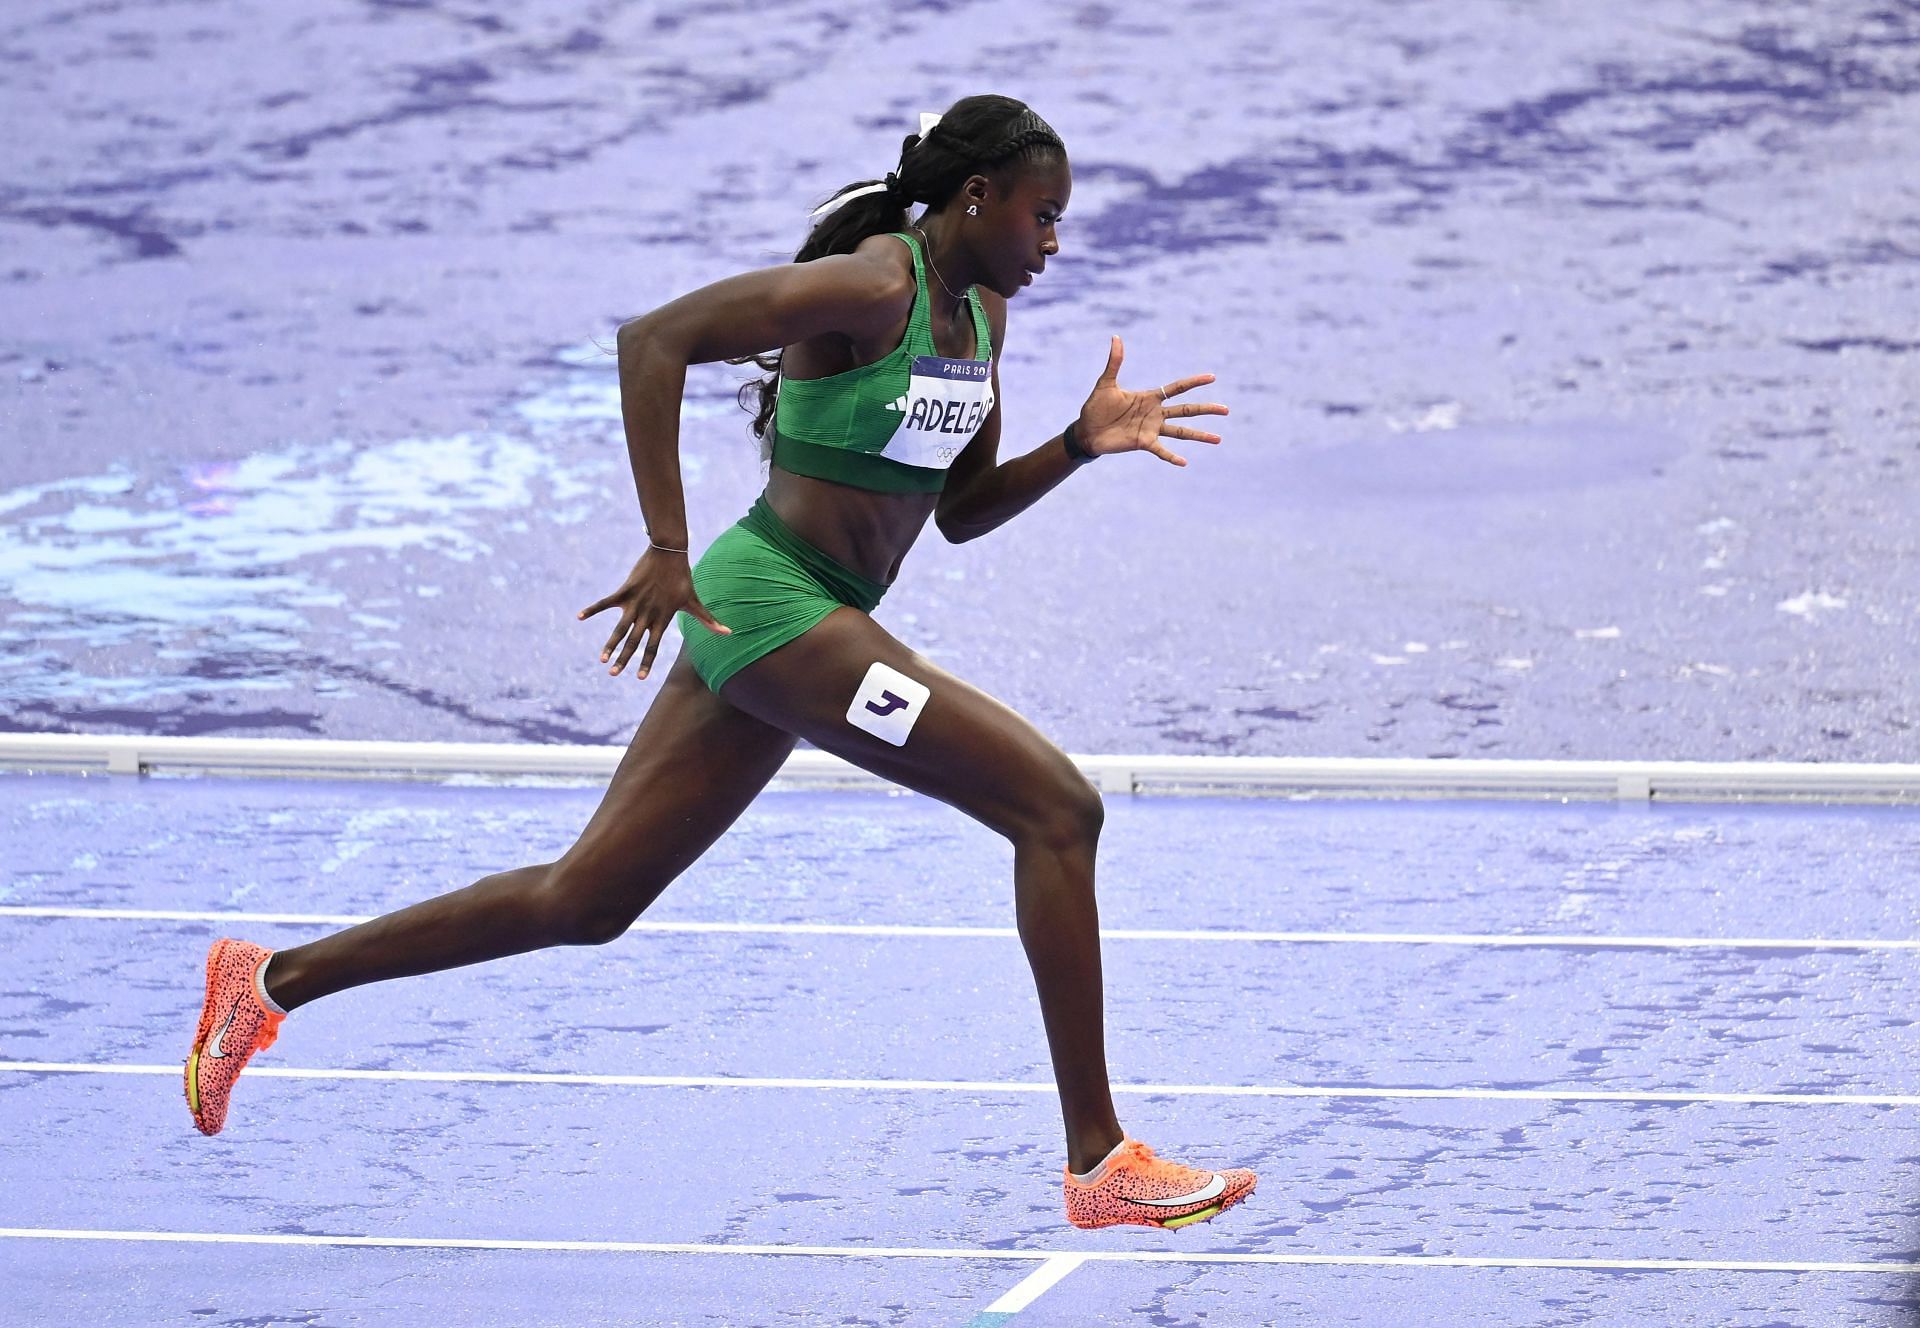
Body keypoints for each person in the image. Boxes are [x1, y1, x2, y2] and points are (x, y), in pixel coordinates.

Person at [185, 94, 1256, 1231]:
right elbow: (651, 339)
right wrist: (664, 544)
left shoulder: (980, 315)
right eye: (1043, 216)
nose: (1054, 243)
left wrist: (1079, 445)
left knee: (585, 898)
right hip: (770, 606)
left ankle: (267, 980)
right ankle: (1097, 1156)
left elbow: (960, 510)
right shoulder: (875, 284)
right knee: (1057, 809)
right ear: (977, 197)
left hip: (798, 627)